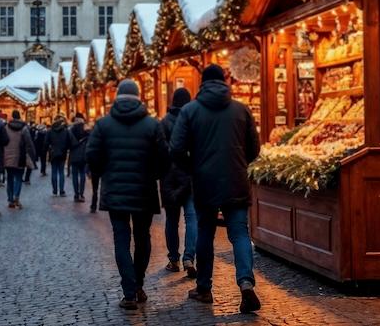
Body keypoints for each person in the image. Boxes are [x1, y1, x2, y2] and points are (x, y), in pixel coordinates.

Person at [170, 64, 262, 314]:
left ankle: (204, 288)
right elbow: (254, 148)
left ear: (202, 83)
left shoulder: (190, 111)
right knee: (240, 233)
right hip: (236, 180)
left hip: (205, 182)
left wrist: (193, 167)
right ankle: (245, 283)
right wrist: (239, 163)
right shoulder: (241, 110)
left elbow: (176, 149)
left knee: (205, 233)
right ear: (224, 82)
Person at [86, 79, 169, 311]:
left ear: (117, 98)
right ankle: (138, 284)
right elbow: (164, 158)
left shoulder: (103, 124)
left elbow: (92, 155)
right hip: (144, 191)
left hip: (115, 191)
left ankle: (129, 292)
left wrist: (105, 173)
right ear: (139, 98)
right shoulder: (152, 125)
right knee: (143, 238)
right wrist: (152, 175)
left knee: (121, 239)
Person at [160, 87, 197, 277]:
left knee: (172, 220)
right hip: (189, 176)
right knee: (192, 218)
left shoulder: (164, 122)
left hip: (170, 179)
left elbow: (160, 152)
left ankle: (173, 259)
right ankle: (189, 257)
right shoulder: (192, 120)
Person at [2, 110, 36, 209]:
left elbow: (3, 141)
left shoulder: (6, 128)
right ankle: (16, 196)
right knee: (18, 178)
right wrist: (33, 155)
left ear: (12, 116)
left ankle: (10, 199)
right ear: (19, 116)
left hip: (7, 157)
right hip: (20, 157)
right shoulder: (24, 128)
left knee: (10, 178)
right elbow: (29, 143)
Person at [46, 114, 71, 196]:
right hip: (62, 153)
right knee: (61, 172)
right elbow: (68, 142)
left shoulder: (50, 131)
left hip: (53, 153)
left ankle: (55, 190)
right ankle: (62, 191)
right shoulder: (65, 131)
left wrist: (48, 149)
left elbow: (46, 143)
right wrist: (65, 148)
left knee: (54, 172)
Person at [67, 113, 89, 202]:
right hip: (83, 155)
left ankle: (76, 195)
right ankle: (82, 195)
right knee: (83, 174)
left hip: (74, 155)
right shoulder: (86, 130)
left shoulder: (71, 130)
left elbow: (68, 144)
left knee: (75, 175)